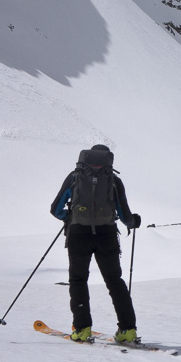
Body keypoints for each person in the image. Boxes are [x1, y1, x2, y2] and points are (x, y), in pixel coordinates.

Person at [50, 144, 140, 343]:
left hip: (78, 235)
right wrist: (134, 221)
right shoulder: (114, 180)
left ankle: (82, 329)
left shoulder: (74, 177)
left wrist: (69, 216)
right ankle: (128, 330)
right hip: (106, 235)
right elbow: (124, 214)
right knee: (115, 281)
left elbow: (55, 209)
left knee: (78, 280)